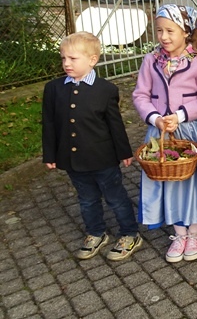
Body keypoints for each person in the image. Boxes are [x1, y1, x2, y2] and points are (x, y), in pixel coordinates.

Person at [43, 32, 142, 261]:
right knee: (86, 199)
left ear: (92, 59)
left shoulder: (105, 89)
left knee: (115, 198)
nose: (66, 63)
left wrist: (124, 152)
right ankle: (96, 232)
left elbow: (115, 125)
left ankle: (129, 233)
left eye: (73, 59)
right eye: (63, 58)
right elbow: (49, 123)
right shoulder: (54, 89)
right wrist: (50, 153)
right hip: (72, 160)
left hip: (103, 158)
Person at [132, 4, 197, 263]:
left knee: (193, 181)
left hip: (189, 131)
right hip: (159, 134)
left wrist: (180, 115)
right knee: (167, 179)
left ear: (186, 32)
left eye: (170, 31)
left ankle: (195, 231)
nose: (164, 37)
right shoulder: (150, 61)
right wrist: (155, 118)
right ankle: (179, 233)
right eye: (159, 31)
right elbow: (140, 95)